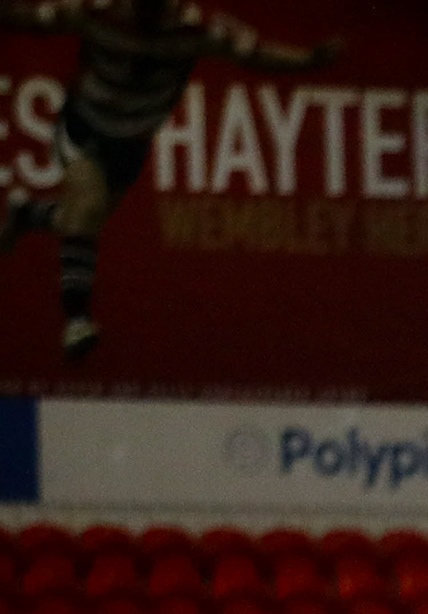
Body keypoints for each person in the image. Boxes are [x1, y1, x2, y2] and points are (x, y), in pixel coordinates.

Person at [0, 0, 341, 362]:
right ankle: (77, 319)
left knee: (85, 217)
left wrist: (307, 61)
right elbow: (35, 19)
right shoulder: (97, 11)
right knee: (87, 209)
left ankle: (26, 215)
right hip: (85, 129)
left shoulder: (197, 30)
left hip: (131, 144)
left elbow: (253, 53)